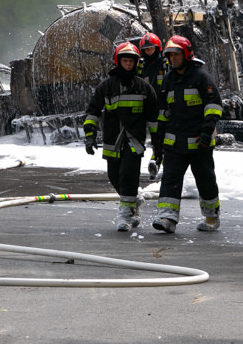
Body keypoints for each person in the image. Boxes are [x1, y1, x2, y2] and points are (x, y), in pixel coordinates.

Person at [83, 41, 159, 232]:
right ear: (118, 62)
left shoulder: (144, 88)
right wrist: (90, 136)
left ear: (136, 63)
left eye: (131, 62)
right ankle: (134, 201)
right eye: (124, 61)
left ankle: (124, 216)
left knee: (128, 175)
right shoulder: (106, 87)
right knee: (114, 176)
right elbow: (92, 112)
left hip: (134, 140)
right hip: (112, 140)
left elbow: (154, 119)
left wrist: (158, 146)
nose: (128, 65)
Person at [152, 35, 223, 233]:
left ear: (186, 55)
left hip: (200, 141)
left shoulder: (201, 77)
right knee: (170, 179)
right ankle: (167, 217)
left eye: (176, 54)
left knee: (205, 179)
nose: (172, 59)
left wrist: (207, 132)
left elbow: (214, 106)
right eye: (169, 55)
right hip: (174, 142)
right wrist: (158, 141)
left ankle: (211, 217)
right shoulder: (168, 80)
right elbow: (163, 113)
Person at [138, 32, 166, 180]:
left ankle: (159, 161)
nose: (149, 51)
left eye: (151, 48)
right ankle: (156, 161)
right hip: (150, 108)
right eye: (146, 49)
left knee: (166, 136)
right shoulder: (141, 66)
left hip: (166, 106)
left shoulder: (166, 63)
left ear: (158, 48)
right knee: (156, 137)